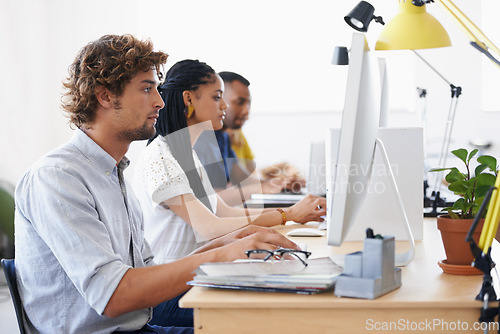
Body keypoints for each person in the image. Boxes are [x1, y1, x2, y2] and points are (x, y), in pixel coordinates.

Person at [14, 34, 300, 334]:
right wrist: (223, 253)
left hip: (138, 326)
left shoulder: (113, 174)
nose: (160, 101)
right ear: (106, 96)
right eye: (147, 89)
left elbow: (146, 274)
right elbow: (113, 295)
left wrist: (228, 243)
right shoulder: (57, 177)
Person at [135, 59, 326, 264]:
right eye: (217, 97)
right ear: (188, 99)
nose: (224, 105)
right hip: (175, 283)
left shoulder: (187, 155)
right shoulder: (161, 157)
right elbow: (210, 228)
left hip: (198, 272)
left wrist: (292, 214)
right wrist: (287, 214)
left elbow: (224, 212)